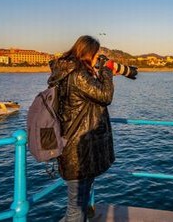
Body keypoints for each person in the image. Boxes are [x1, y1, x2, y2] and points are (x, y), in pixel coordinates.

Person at [47, 35, 116, 222]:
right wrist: (107, 71)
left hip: (76, 147)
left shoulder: (68, 72)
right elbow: (105, 95)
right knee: (75, 212)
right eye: (96, 55)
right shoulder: (77, 75)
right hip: (78, 152)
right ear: (88, 54)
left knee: (79, 206)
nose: (97, 59)